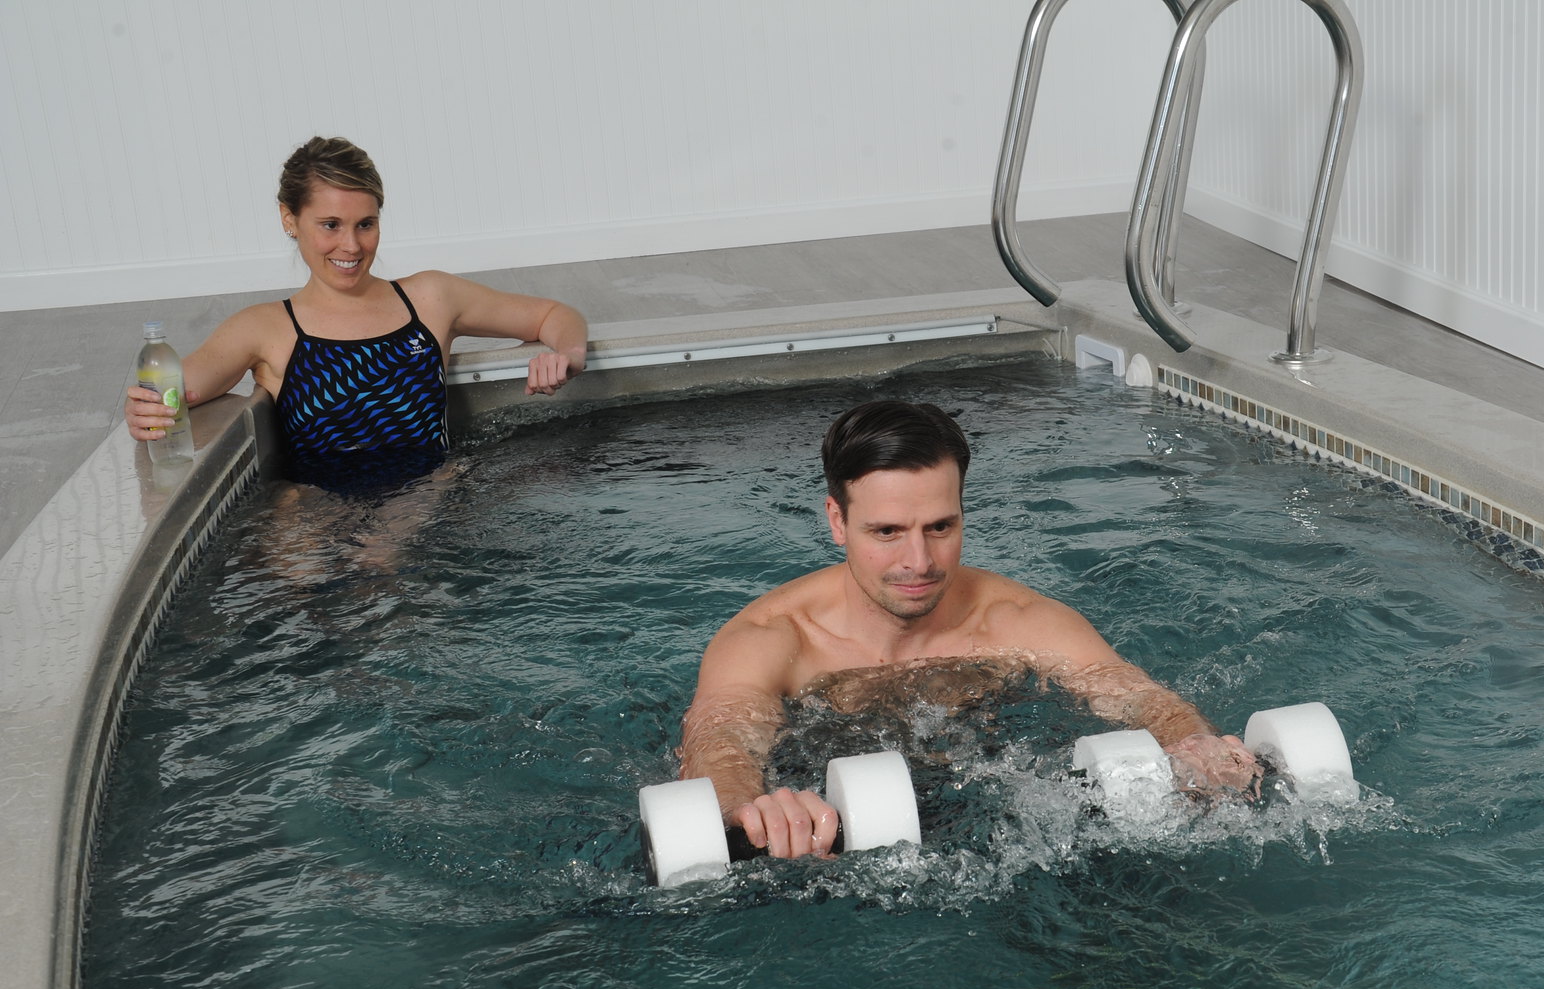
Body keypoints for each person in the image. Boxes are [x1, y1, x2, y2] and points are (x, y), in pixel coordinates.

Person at [680, 399, 1259, 860]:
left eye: (940, 527)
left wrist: (1195, 742)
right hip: (834, 819)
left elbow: (1138, 696)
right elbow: (720, 745)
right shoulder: (772, 638)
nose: (919, 561)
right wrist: (749, 810)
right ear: (837, 521)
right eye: (886, 532)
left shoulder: (1015, 621)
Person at [124, 136, 587, 495]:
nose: (351, 246)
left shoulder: (430, 298)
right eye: (330, 225)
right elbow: (181, 388)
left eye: (366, 224)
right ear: (289, 219)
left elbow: (553, 314)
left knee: (386, 550)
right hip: (316, 514)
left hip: (426, 499)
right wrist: (147, 407)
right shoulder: (265, 327)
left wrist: (566, 354)